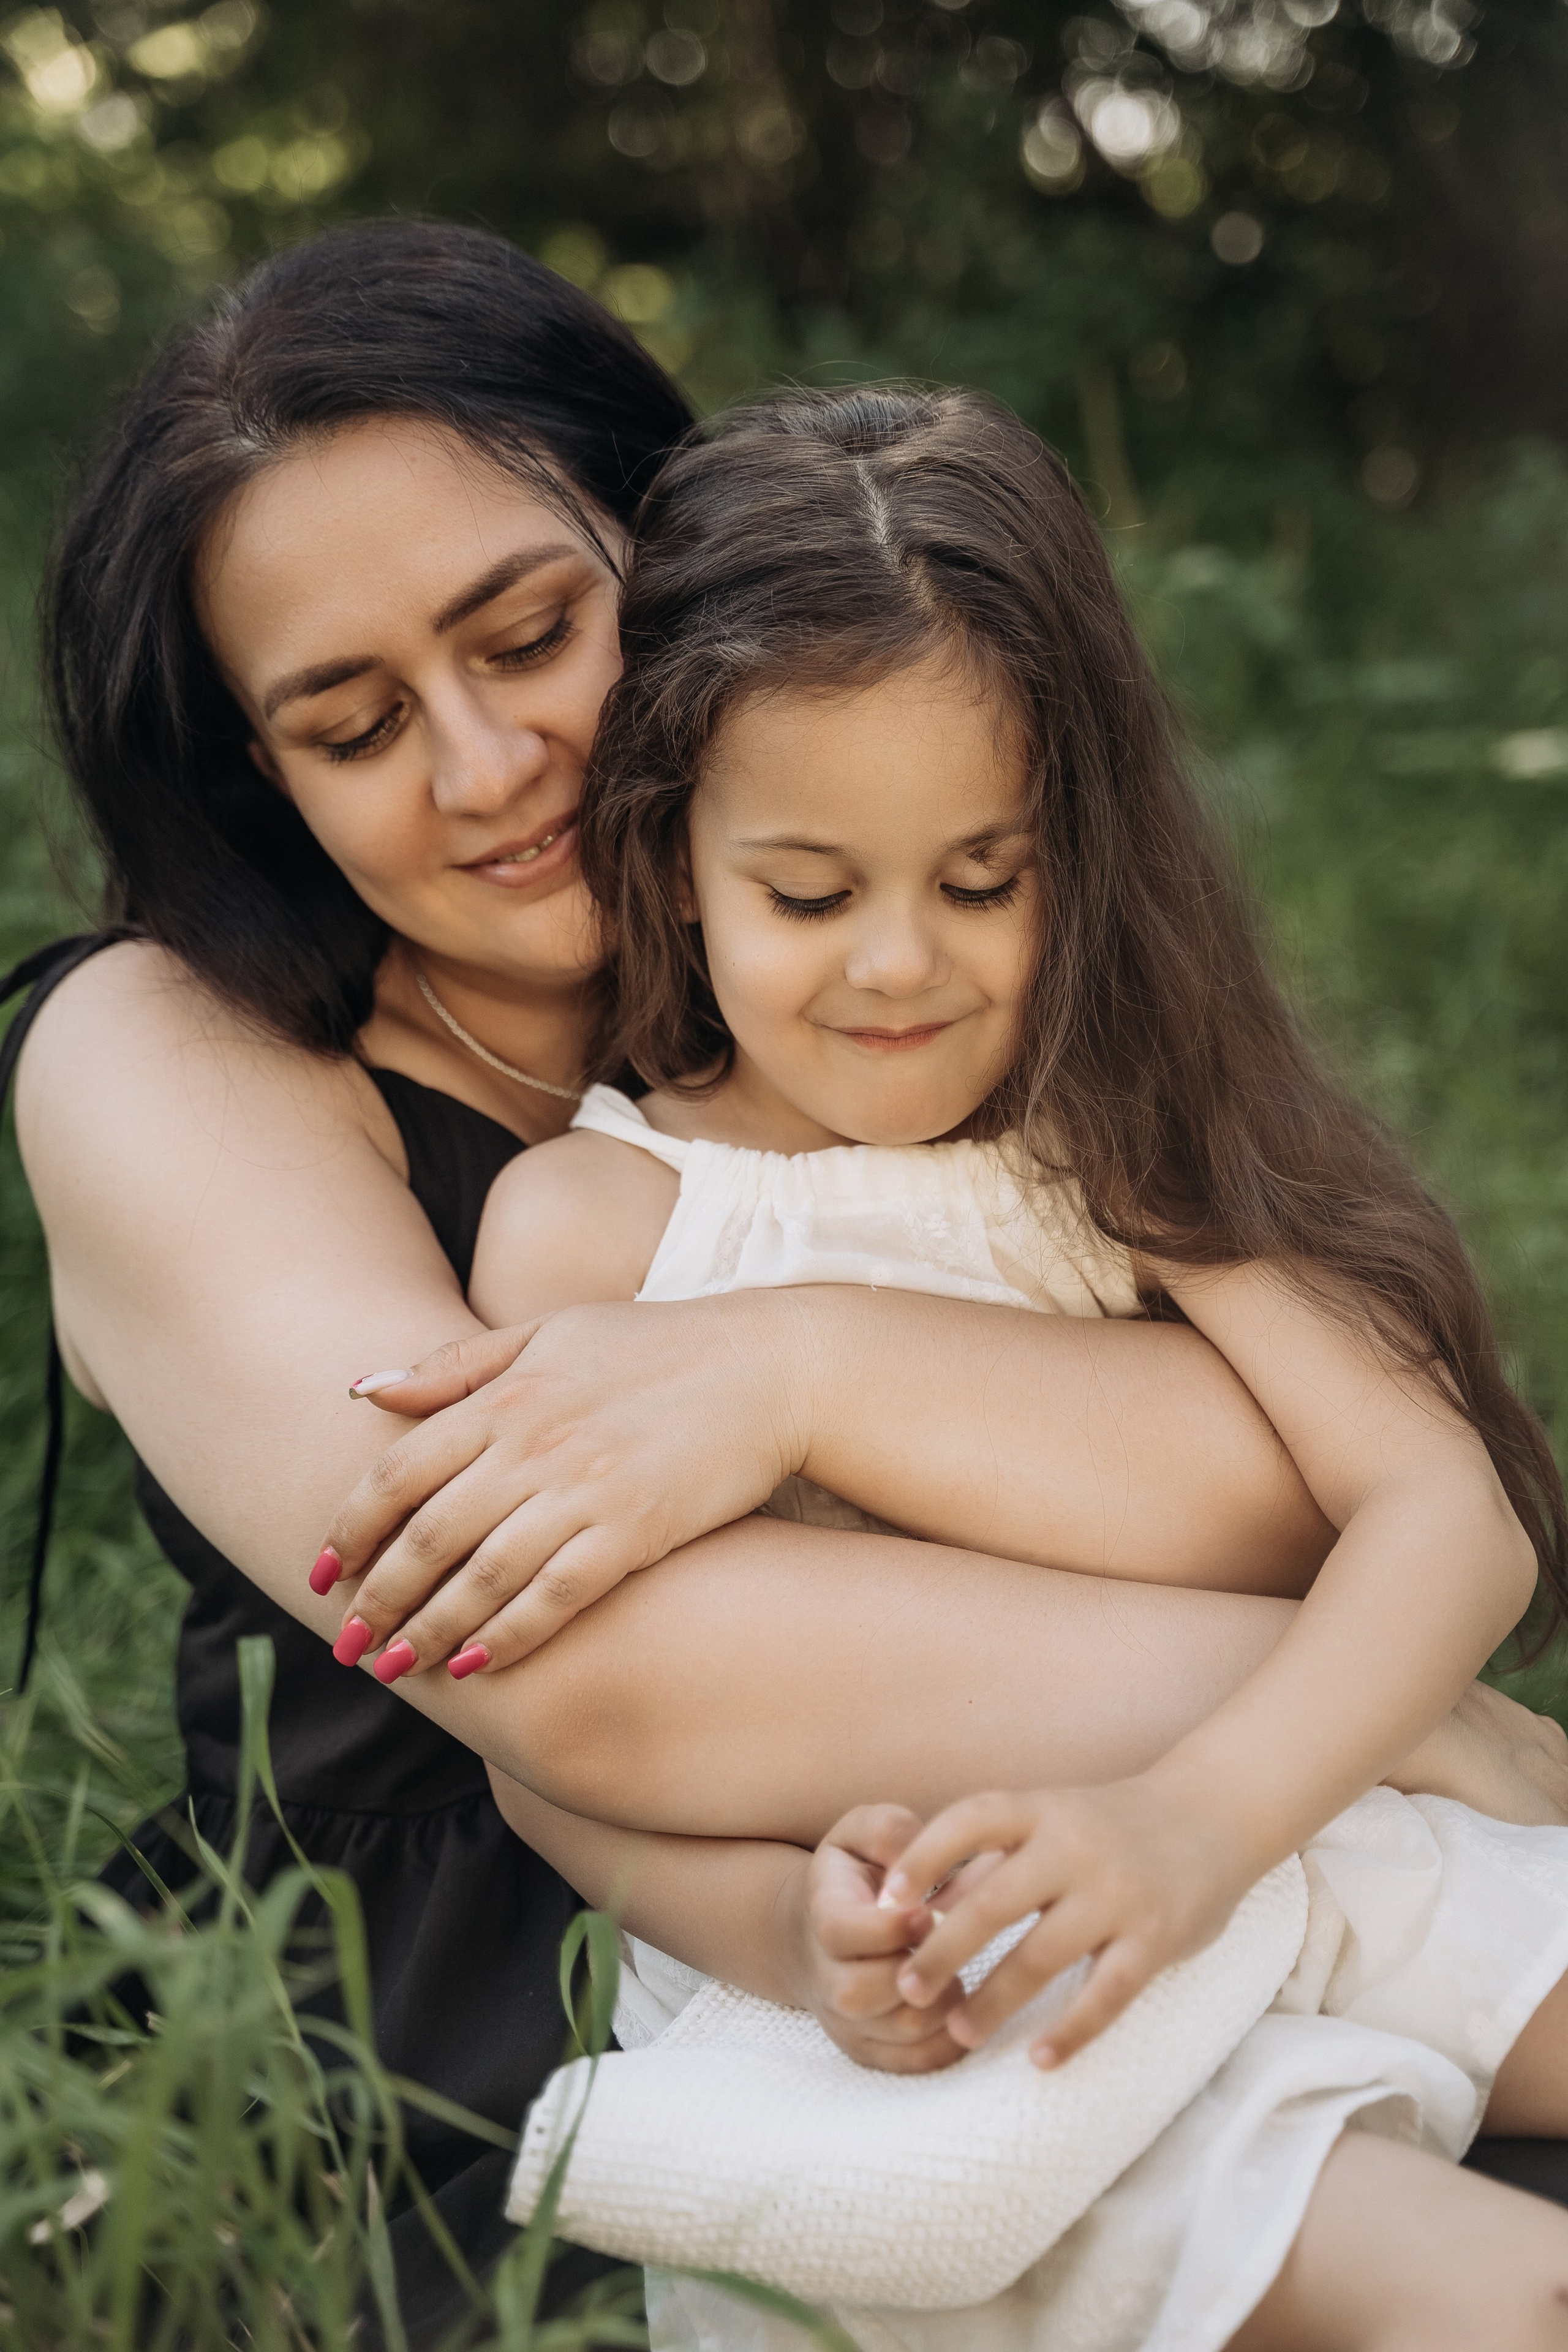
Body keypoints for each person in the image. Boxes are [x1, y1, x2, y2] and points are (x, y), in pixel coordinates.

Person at [7, 220, 1564, 2343]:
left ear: (674, 545)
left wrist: (802, 1366)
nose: (486, 770)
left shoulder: (940, 988)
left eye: (532, 631)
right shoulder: (171, 1054)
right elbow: (570, 1679)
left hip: (1189, 1851)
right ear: (252, 774)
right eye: (355, 725)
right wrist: (1404, 1720)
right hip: (564, 2001)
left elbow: (1326, 1477)